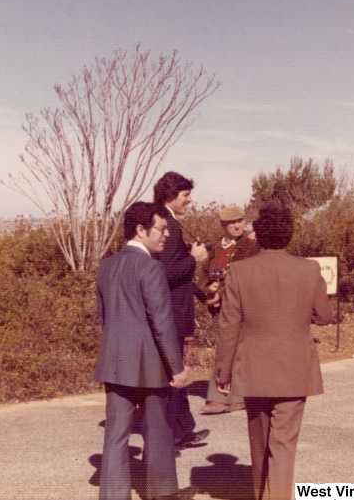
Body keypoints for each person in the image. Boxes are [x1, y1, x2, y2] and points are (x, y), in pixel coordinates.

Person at [215, 203, 334, 500]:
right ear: (289, 235)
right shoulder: (309, 269)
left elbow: (228, 326)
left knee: (259, 443)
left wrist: (223, 372)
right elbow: (324, 316)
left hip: (253, 370)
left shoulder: (239, 272)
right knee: (283, 446)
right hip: (295, 368)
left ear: (259, 235)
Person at [93, 202, 197, 500]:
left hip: (115, 363)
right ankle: (162, 494)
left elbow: (104, 317)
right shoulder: (151, 267)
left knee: (116, 434)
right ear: (141, 230)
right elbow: (161, 322)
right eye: (161, 229)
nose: (166, 235)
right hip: (151, 365)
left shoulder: (106, 266)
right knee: (159, 431)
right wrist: (177, 368)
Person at [152, 171, 210, 451]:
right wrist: (193, 258)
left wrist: (203, 294)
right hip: (172, 313)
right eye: (185, 195)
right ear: (170, 196)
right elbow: (166, 272)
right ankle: (173, 434)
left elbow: (177, 270)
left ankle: (183, 429)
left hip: (172, 309)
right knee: (175, 373)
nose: (189, 200)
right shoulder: (170, 227)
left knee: (175, 373)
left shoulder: (166, 223)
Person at [195, 205, 259, 415]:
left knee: (230, 347)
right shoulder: (215, 246)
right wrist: (206, 292)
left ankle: (219, 398)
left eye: (240, 220)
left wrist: (219, 294)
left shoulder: (250, 246)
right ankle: (238, 397)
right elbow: (204, 272)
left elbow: (240, 276)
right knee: (228, 347)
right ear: (223, 225)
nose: (237, 225)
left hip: (237, 304)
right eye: (232, 222)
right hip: (216, 305)